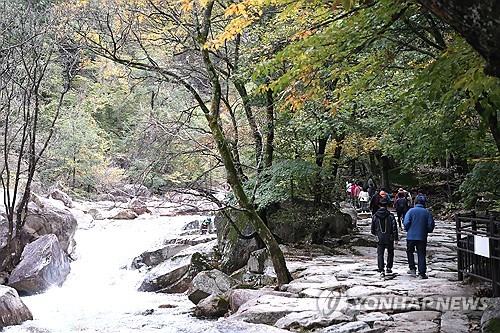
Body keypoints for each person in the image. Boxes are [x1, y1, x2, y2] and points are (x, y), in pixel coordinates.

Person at [404, 196, 435, 279]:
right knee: (421, 254)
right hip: (422, 236)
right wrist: (427, 230)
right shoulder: (427, 212)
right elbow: (431, 224)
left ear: (415, 203)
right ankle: (422, 273)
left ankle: (412, 268)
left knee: (409, 251)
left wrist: (407, 229)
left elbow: (406, 222)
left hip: (411, 236)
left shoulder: (410, 211)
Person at [371, 198, 399, 278]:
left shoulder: (375, 216)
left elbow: (372, 229)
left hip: (379, 237)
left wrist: (376, 234)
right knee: (390, 252)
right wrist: (395, 238)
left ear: (379, 205)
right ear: (386, 206)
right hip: (389, 237)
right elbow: (394, 228)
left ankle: (381, 269)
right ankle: (389, 267)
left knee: (380, 254)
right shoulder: (390, 215)